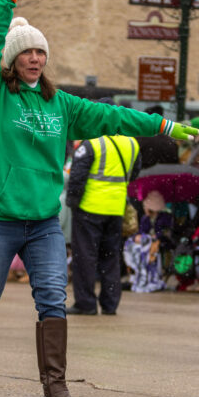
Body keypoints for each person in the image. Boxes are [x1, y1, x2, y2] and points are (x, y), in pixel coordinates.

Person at [0, 0, 199, 397]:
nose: (35, 58)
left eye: (40, 52)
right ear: (12, 60)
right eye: (26, 52)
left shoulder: (61, 104)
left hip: (41, 223)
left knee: (53, 300)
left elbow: (112, 115)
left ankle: (55, 394)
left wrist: (163, 126)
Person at [66, 134, 140, 315]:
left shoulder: (92, 142)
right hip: (116, 208)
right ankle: (110, 304)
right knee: (111, 257)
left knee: (85, 257)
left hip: (89, 207)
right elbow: (135, 172)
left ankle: (86, 303)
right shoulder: (132, 142)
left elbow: (77, 175)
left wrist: (72, 202)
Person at [123, 190, 172, 293]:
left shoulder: (165, 218)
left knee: (146, 251)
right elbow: (141, 231)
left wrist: (156, 236)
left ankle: (147, 276)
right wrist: (138, 236)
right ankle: (136, 274)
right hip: (146, 242)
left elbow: (166, 232)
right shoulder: (145, 219)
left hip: (160, 242)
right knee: (133, 247)